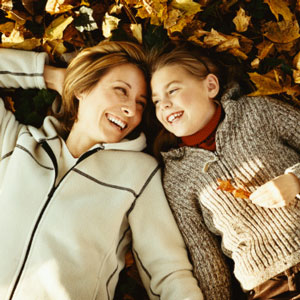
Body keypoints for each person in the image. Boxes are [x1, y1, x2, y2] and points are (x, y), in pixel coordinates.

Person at [0, 40, 204, 300]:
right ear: (83, 88)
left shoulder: (138, 174)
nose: (131, 109)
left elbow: (167, 271)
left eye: (141, 103)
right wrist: (53, 77)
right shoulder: (15, 143)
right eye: (121, 90)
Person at [149, 42, 300, 300]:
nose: (164, 104)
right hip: (270, 287)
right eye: (156, 101)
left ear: (210, 86)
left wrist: (296, 179)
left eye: (172, 90)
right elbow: (205, 256)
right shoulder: (176, 176)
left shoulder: (258, 112)